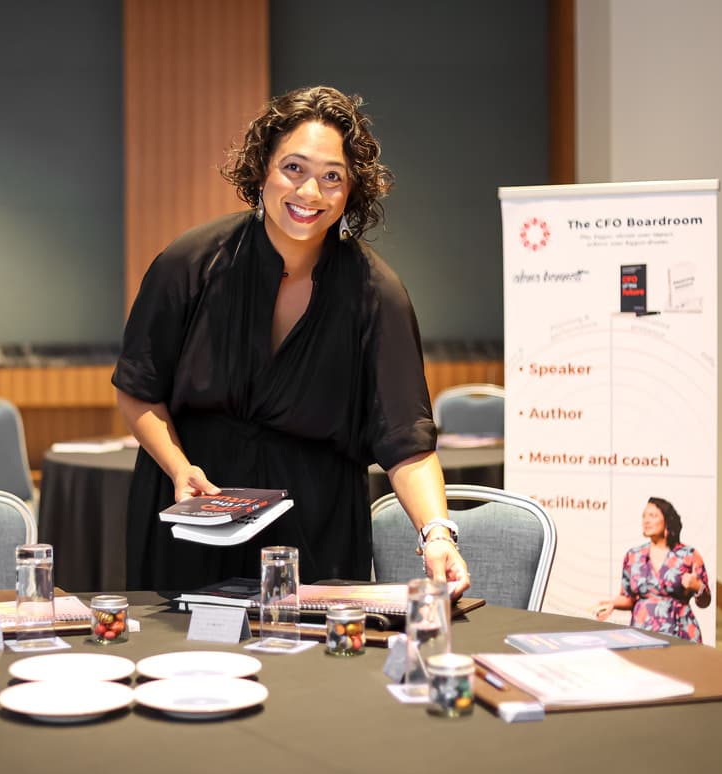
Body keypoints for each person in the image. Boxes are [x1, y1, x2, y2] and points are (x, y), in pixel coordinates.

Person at [112, 85, 470, 594]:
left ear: (351, 192)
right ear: (262, 169)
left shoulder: (376, 293)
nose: (309, 193)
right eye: (294, 169)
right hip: (191, 517)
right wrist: (178, 466)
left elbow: (406, 440)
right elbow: (138, 387)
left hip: (314, 534)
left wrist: (437, 534)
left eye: (332, 178)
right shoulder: (190, 263)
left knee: (307, 672)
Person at [593, 497, 710, 643]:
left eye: (653, 516)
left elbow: (705, 601)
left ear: (667, 520)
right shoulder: (634, 555)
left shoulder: (688, 555)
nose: (646, 520)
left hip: (680, 633)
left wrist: (697, 586)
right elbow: (628, 597)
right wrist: (612, 604)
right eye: (644, 516)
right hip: (643, 632)